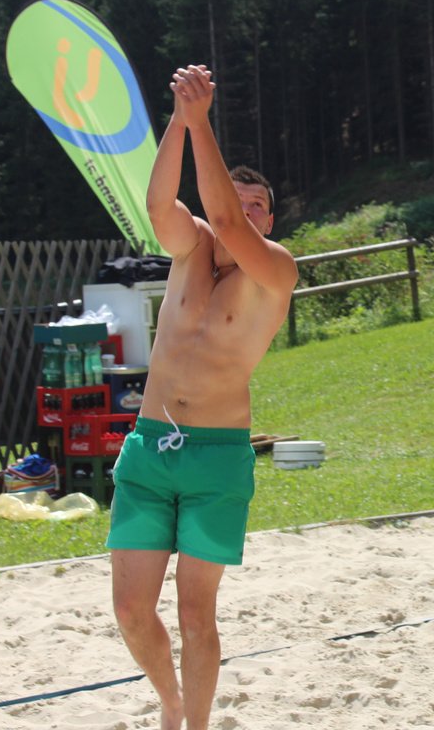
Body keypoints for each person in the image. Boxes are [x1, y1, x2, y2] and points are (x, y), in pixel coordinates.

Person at [107, 64, 298, 730]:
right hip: (150, 449)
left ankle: (196, 725)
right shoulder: (189, 250)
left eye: (256, 206)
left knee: (196, 615)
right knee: (131, 610)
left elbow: (225, 218)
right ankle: (170, 702)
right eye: (237, 201)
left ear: (269, 219)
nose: (243, 212)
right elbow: (160, 206)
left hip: (216, 459)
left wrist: (202, 122)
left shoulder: (275, 270)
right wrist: (179, 119)